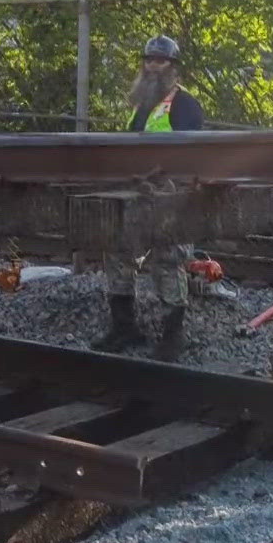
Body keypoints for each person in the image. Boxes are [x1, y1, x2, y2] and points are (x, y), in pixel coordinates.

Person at [94, 35, 208, 358]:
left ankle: (173, 336)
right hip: (137, 197)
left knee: (168, 259)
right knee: (116, 251)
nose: (154, 66)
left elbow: (193, 157)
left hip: (171, 199)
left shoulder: (186, 106)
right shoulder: (140, 107)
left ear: (173, 67)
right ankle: (124, 328)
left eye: (161, 61)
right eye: (149, 60)